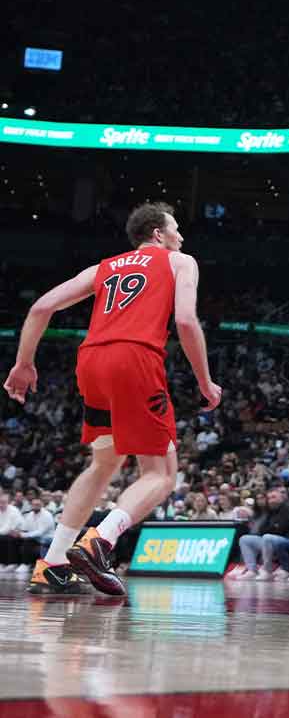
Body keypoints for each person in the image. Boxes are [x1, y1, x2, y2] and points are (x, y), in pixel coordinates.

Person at [4, 202, 222, 596]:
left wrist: (24, 364)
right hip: (134, 360)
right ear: (158, 234)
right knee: (161, 474)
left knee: (105, 461)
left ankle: (51, 564)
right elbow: (186, 321)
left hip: (91, 363)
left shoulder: (102, 267)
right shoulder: (180, 261)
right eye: (176, 229)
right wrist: (205, 382)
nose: (181, 237)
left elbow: (41, 307)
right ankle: (99, 540)